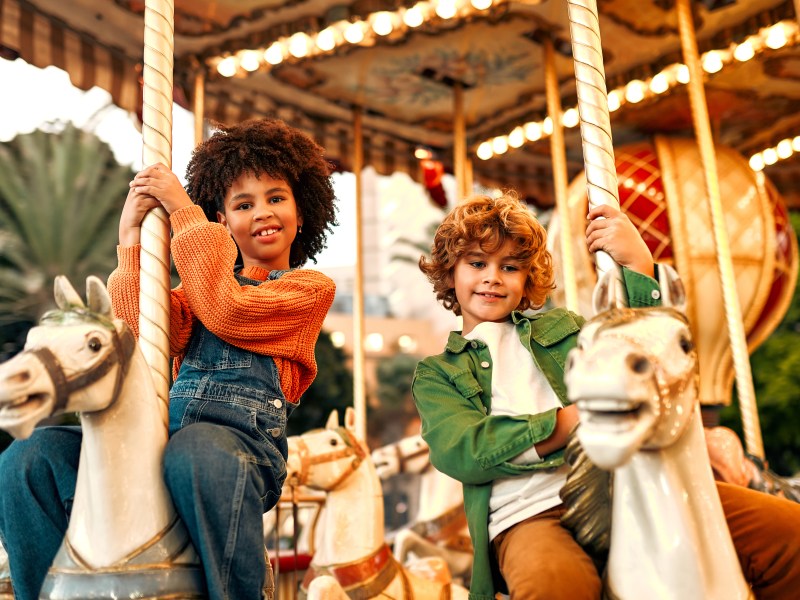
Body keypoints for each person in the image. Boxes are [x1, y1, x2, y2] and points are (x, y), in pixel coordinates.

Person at [0, 118, 338, 600]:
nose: (262, 212)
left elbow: (229, 311)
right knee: (29, 456)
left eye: (276, 198)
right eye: (243, 204)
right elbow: (138, 333)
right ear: (222, 220)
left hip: (238, 450)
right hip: (155, 439)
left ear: (301, 212)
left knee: (195, 452)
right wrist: (130, 239)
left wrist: (182, 211)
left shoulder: (307, 290)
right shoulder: (194, 292)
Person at [411, 192, 800, 600]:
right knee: (558, 587)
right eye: (477, 263)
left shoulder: (564, 328)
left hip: (631, 483)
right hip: (529, 511)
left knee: (787, 533)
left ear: (527, 279)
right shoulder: (440, 374)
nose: (493, 277)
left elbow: (641, 343)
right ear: (449, 271)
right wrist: (569, 422)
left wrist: (639, 266)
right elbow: (463, 451)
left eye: (510, 267)